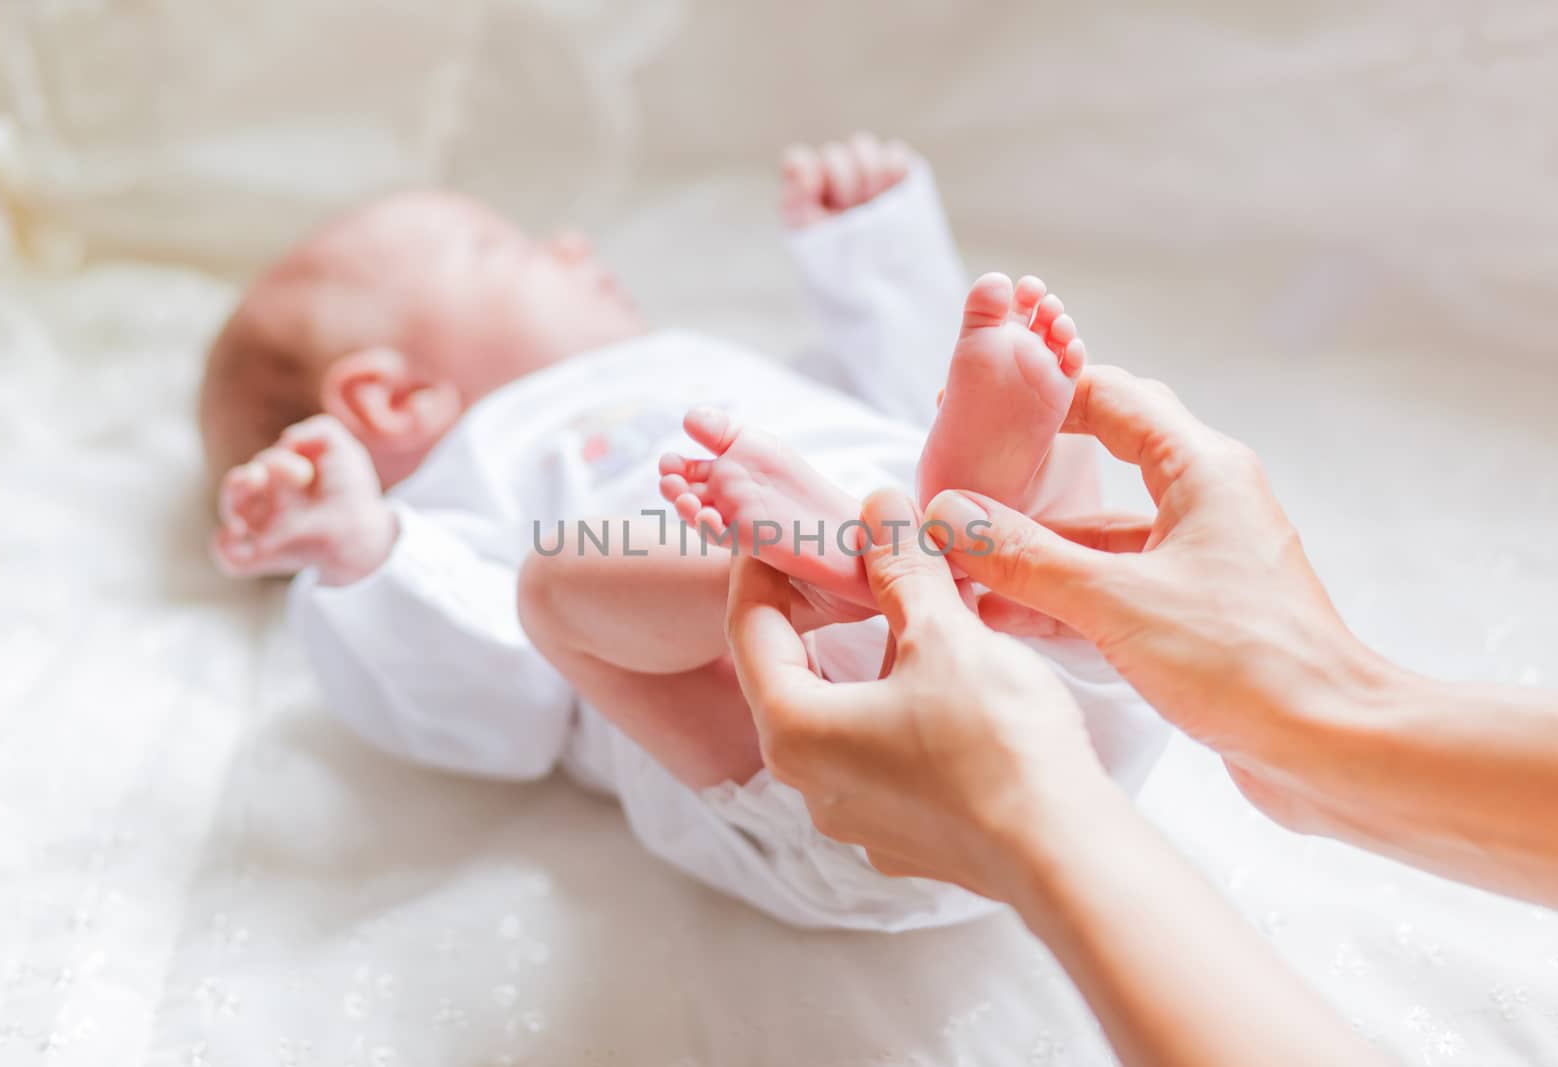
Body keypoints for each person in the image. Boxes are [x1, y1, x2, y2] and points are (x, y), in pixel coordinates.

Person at [200, 133, 1169, 931]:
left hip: (1049, 661)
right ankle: (819, 575)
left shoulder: (710, 367)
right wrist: (366, 552)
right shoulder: (463, 494)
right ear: (396, 393)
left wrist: (868, 246)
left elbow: (903, 384)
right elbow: (500, 709)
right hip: (821, 768)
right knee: (558, 582)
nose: (572, 244)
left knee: (924, 441)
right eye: (506, 249)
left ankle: (937, 526)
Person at [724, 362, 1558, 1064]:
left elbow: (586, 620)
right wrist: (1317, 708)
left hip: (856, 789)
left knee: (673, 606)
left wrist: (1027, 812)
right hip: (1008, 720)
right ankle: (970, 504)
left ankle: (833, 573)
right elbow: (900, 362)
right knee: (1046, 560)